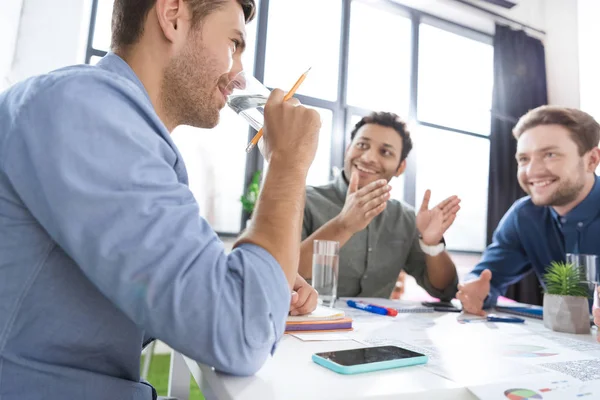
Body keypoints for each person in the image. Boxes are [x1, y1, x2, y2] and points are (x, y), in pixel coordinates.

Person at [0, 0, 322, 398]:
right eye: (234, 43)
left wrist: (258, 283)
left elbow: (171, 299)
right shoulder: (85, 108)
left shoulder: (116, 126)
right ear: (172, 15)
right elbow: (239, 333)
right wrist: (288, 163)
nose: (238, 72)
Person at [299, 112, 460, 300]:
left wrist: (432, 245)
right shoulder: (304, 200)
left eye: (386, 152)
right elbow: (279, 273)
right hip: (308, 325)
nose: (368, 157)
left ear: (400, 168)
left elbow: (445, 290)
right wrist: (343, 225)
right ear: (348, 149)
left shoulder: (405, 217)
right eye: (362, 145)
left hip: (378, 326)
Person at [458, 106, 600, 316]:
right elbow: (488, 277)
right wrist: (474, 289)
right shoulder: (524, 217)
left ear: (591, 160)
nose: (532, 171)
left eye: (550, 154)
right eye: (524, 159)